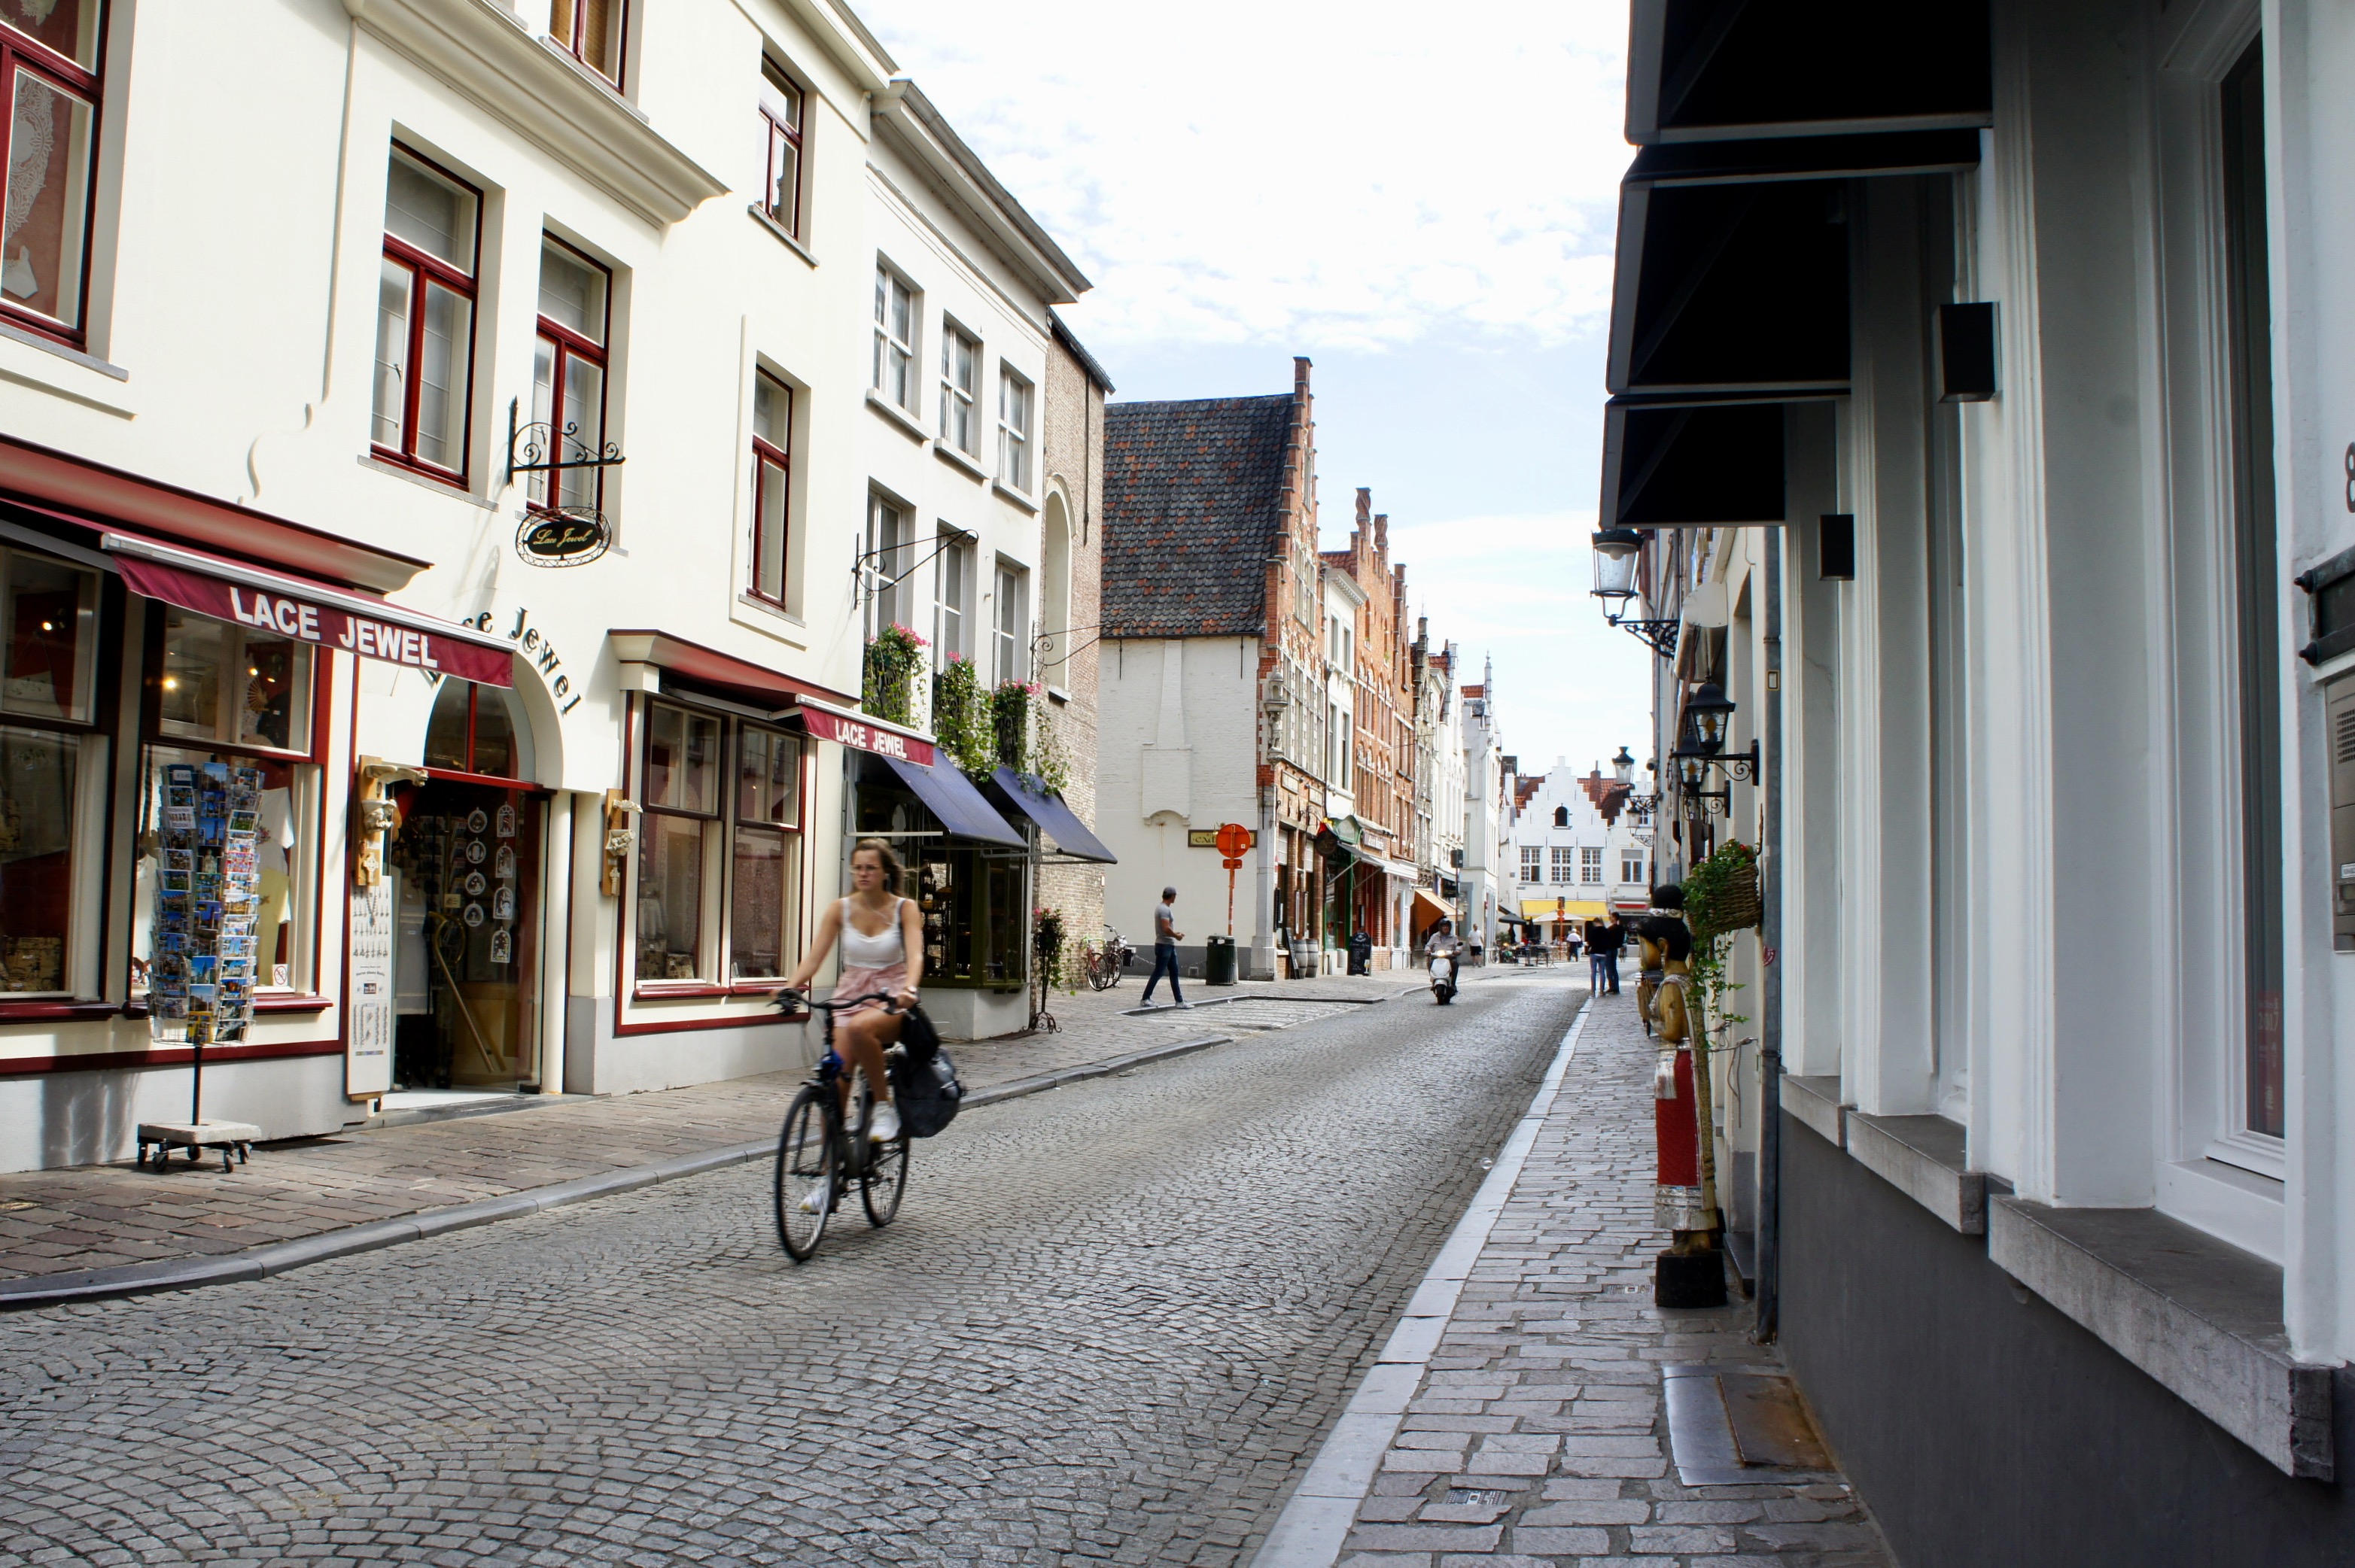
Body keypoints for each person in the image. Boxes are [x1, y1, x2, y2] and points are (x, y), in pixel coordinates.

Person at [782, 839, 924, 1208]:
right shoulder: (840, 909)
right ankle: (829, 1177)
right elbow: (814, 958)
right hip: (849, 997)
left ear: (885, 872)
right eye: (858, 867)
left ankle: (884, 1108)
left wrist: (909, 988)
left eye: (870, 868)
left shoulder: (905, 909)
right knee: (834, 1084)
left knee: (863, 1029)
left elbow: (915, 955)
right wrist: (790, 987)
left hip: (891, 998)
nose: (863, 873)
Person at [1142, 886, 1188, 1007]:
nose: (1175, 898)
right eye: (1175, 896)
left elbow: (1166, 929)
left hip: (1167, 945)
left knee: (1174, 972)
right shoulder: (1164, 910)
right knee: (1159, 972)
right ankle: (1145, 998)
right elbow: (1165, 928)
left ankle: (1179, 1001)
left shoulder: (1162, 908)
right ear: (1172, 896)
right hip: (1165, 946)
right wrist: (1176, 936)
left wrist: (1175, 934)